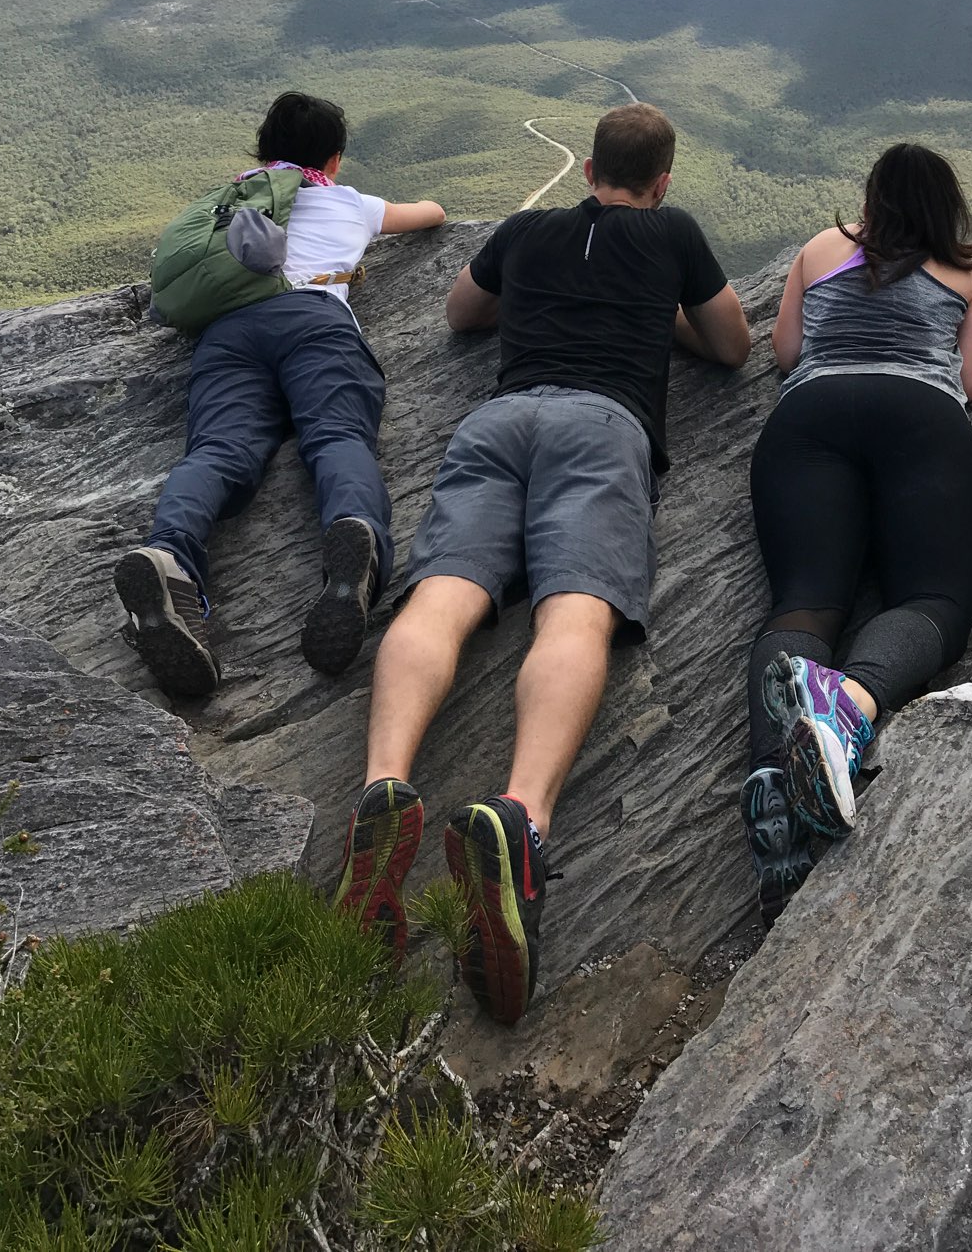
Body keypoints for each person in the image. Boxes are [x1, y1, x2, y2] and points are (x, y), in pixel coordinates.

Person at [334, 103, 751, 1023]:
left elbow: (459, 314)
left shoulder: (527, 231)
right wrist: (659, 314)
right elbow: (732, 346)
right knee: (575, 610)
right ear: (661, 182)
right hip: (604, 429)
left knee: (442, 598)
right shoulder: (674, 232)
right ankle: (518, 820)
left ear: (589, 167)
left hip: (499, 419)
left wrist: (532, 292)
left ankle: (383, 786)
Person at [113, 91, 445, 699]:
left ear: (262, 152)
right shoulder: (351, 202)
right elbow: (432, 213)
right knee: (337, 436)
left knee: (218, 451)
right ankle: (354, 537)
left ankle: (169, 558)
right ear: (335, 160)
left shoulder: (227, 208)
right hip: (316, 322)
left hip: (229, 333)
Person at [741, 142, 972, 924]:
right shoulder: (965, 272)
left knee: (806, 601)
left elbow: (785, 351)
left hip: (810, 417)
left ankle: (773, 786)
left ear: (872, 197)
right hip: (921, 418)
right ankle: (849, 704)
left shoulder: (820, 250)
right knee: (933, 599)